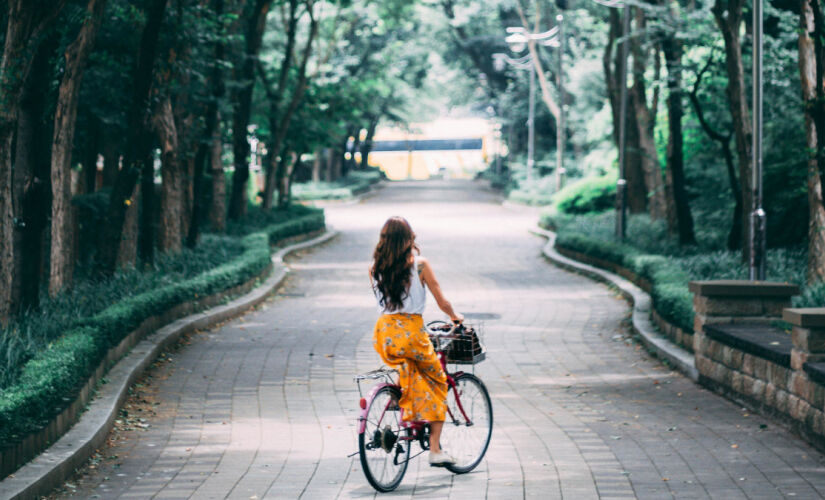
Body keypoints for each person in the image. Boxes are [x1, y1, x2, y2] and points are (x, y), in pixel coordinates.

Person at [369, 216, 464, 467]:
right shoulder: (419, 265)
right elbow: (442, 301)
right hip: (411, 331)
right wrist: (455, 317)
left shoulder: (374, 268)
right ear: (409, 238)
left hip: (384, 332)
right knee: (438, 381)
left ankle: (397, 398)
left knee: (407, 366)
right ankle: (435, 450)